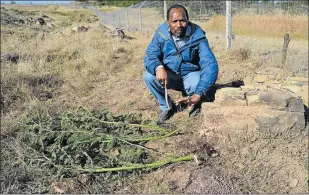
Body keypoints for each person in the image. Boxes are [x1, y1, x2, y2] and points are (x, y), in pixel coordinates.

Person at [143, 4, 218, 124]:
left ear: (188, 20)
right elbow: (150, 55)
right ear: (168, 22)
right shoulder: (161, 34)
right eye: (175, 21)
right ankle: (166, 106)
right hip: (169, 75)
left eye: (182, 20)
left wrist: (199, 93)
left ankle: (194, 102)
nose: (179, 25)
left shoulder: (197, 35)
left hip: (190, 74)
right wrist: (158, 67)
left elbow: (210, 64)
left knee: (197, 83)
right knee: (148, 77)